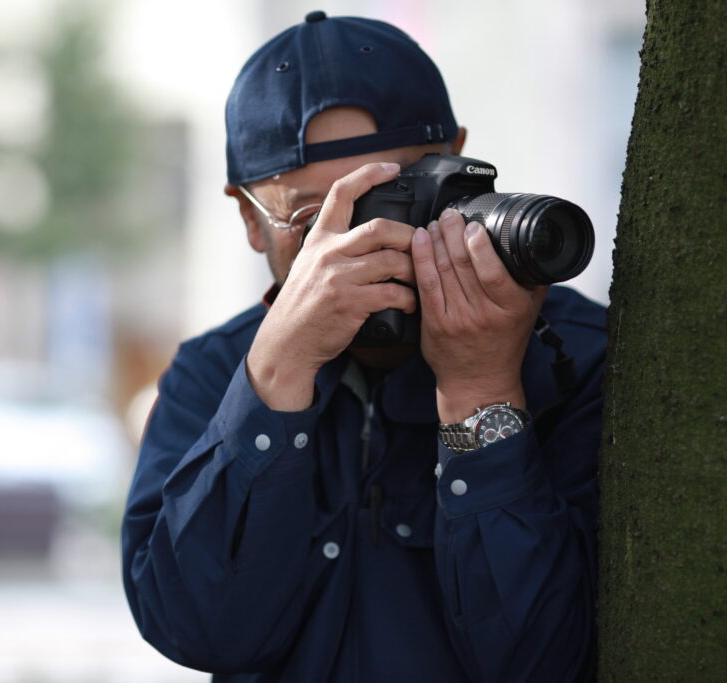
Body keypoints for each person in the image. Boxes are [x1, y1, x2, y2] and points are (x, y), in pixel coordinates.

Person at [122, 11, 605, 682]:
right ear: (248, 220)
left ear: (458, 163)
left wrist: (482, 395)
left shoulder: (578, 359)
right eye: (313, 220)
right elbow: (198, 629)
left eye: (389, 200)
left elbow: (542, 661)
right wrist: (276, 374)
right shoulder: (214, 371)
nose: (354, 247)